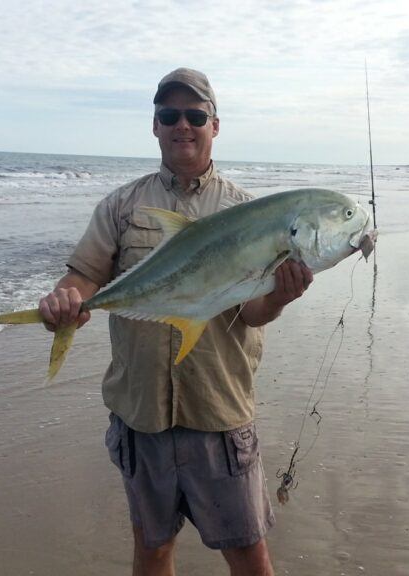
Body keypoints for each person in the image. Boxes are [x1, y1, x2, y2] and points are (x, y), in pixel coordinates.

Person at [38, 68, 313, 576]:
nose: (182, 125)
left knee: (249, 554)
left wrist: (280, 297)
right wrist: (63, 302)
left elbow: (251, 312)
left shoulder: (247, 212)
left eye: (194, 115)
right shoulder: (122, 206)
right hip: (141, 413)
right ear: (156, 126)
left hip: (218, 409)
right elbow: (83, 277)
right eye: (170, 115)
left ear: (214, 124)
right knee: (153, 549)